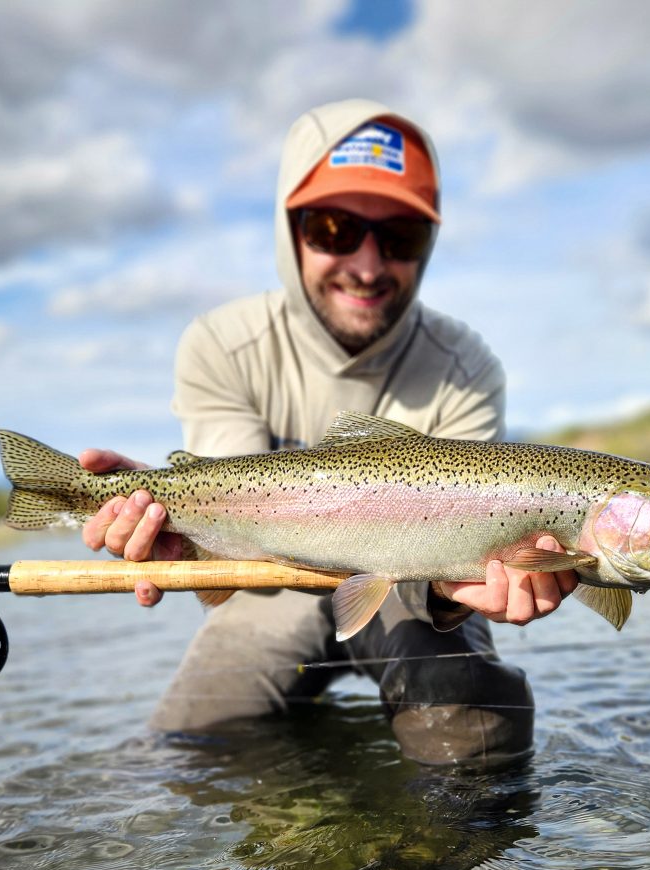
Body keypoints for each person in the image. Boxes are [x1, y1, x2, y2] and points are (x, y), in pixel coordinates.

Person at [79, 99, 577, 765]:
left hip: (412, 589)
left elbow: (462, 561)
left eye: (401, 237)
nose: (368, 266)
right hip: (268, 587)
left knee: (481, 740)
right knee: (190, 750)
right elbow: (233, 515)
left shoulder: (467, 367)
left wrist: (454, 595)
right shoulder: (222, 343)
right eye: (336, 228)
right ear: (290, 229)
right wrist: (169, 517)